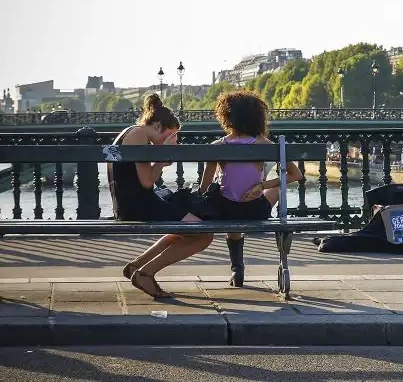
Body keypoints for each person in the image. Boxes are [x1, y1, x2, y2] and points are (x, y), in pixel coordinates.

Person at [110, 94, 214, 299]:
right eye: (171, 135)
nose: (172, 140)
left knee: (185, 230)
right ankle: (145, 273)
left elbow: (144, 180)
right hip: (138, 204)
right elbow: (147, 182)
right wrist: (161, 157)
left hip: (130, 202)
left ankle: (136, 266)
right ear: (157, 126)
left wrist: (160, 161)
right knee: (204, 234)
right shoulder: (139, 134)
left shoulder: (130, 132)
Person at [198, 90, 304, 287]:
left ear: (226, 116)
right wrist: (262, 186)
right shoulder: (265, 144)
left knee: (230, 211)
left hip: (226, 211)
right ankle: (278, 221)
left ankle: (237, 269)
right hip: (255, 209)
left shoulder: (217, 146)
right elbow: (296, 175)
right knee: (277, 187)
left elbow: (204, 188)